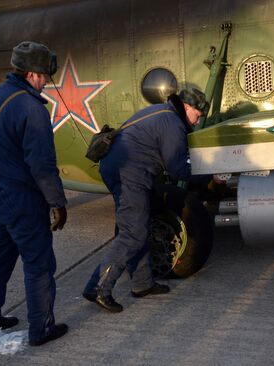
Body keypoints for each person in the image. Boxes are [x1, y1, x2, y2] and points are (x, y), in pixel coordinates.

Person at [0, 41, 69, 346]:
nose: (46, 81)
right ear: (32, 74)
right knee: (39, 263)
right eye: (44, 75)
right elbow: (41, 165)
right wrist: (57, 202)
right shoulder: (31, 109)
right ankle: (41, 329)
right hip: (23, 199)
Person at [82, 88, 210, 313]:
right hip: (129, 172)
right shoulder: (172, 123)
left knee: (140, 223)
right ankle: (98, 287)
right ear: (187, 107)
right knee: (133, 232)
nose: (198, 121)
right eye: (198, 115)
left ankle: (142, 283)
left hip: (122, 168)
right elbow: (178, 168)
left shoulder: (161, 112)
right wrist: (210, 175)